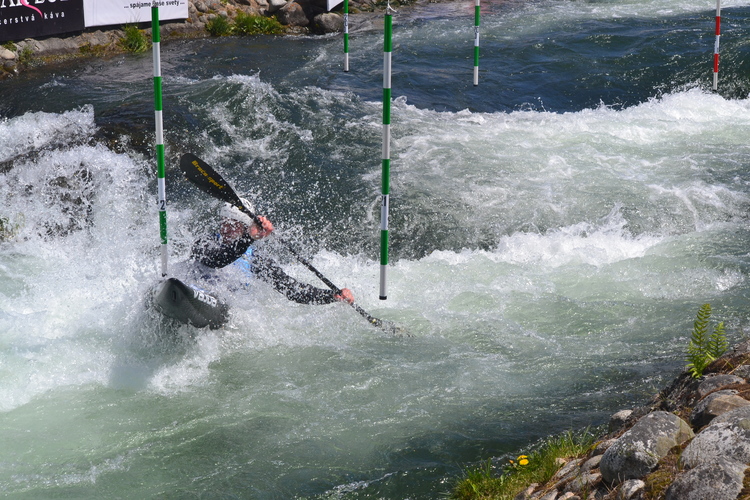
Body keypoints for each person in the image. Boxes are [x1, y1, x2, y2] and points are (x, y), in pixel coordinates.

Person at [189, 198, 355, 305]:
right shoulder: (204, 241)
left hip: (224, 308)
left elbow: (292, 289)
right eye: (224, 222)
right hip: (194, 293)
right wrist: (248, 238)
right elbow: (216, 260)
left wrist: (332, 295)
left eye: (233, 225)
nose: (226, 228)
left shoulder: (256, 259)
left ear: (245, 227)